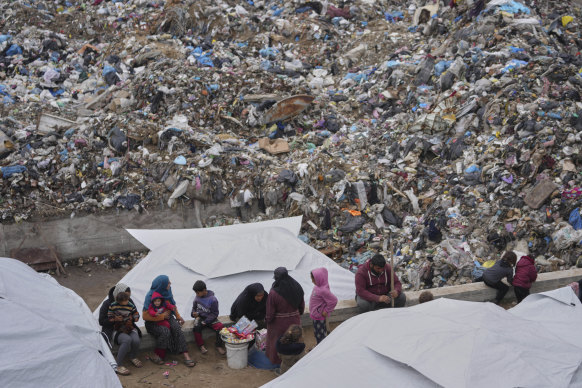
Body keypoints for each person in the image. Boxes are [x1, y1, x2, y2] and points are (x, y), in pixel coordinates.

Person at [142, 275, 196, 367]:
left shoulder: (167, 291)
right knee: (165, 331)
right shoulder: (150, 296)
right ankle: (157, 355)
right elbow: (145, 316)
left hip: (167, 316)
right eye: (168, 282)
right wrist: (162, 316)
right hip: (152, 321)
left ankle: (186, 355)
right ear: (161, 285)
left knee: (176, 328)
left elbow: (172, 305)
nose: (170, 284)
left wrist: (178, 316)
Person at [98, 283, 142, 375]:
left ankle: (132, 356)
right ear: (118, 294)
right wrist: (114, 320)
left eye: (128, 296)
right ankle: (118, 365)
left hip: (128, 326)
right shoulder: (108, 304)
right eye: (126, 296)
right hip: (114, 328)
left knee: (136, 340)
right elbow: (101, 321)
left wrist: (133, 318)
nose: (128, 299)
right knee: (127, 340)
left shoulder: (129, 301)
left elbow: (135, 313)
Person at [266, 267, 305, 365]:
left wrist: (267, 320)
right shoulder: (297, 287)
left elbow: (270, 313)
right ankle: (296, 361)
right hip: (295, 320)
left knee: (278, 341)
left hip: (279, 323)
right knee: (295, 339)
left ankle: (279, 362)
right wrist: (297, 314)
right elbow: (301, 306)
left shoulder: (274, 293)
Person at [191, 280, 226, 355]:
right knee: (196, 327)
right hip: (200, 317)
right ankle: (201, 346)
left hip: (210, 318)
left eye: (197, 292)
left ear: (204, 290)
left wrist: (206, 321)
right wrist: (193, 313)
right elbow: (194, 308)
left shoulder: (213, 300)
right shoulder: (197, 297)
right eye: (196, 293)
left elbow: (214, 314)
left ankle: (219, 345)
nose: (196, 294)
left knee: (221, 327)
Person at [309, 267, 337, 344]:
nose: (312, 281)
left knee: (320, 335)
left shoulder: (323, 290)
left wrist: (326, 310)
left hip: (319, 317)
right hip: (315, 315)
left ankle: (321, 348)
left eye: (313, 279)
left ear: (320, 279)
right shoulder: (318, 287)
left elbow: (334, 300)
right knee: (317, 333)